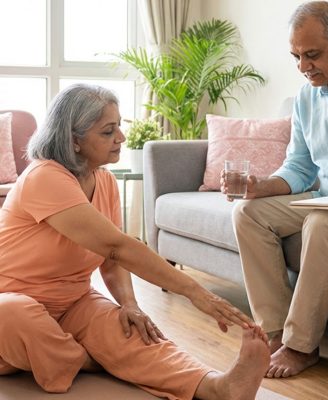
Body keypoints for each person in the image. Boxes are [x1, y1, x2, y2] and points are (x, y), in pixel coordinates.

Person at [0, 83, 270, 399]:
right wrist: (196, 293)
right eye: (107, 131)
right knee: (13, 313)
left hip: (73, 303)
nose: (122, 139)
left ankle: (216, 386)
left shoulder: (104, 180)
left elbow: (110, 258)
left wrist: (129, 304)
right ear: (74, 140)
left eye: (119, 127)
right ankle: (88, 359)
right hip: (12, 304)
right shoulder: (44, 176)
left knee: (129, 327)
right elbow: (118, 246)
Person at [222, 1, 328, 379]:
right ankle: (274, 332)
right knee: (248, 213)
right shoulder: (307, 97)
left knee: (321, 224)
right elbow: (300, 167)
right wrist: (263, 186)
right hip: (327, 196)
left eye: (312, 55)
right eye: (296, 57)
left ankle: (301, 346)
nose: (303, 67)